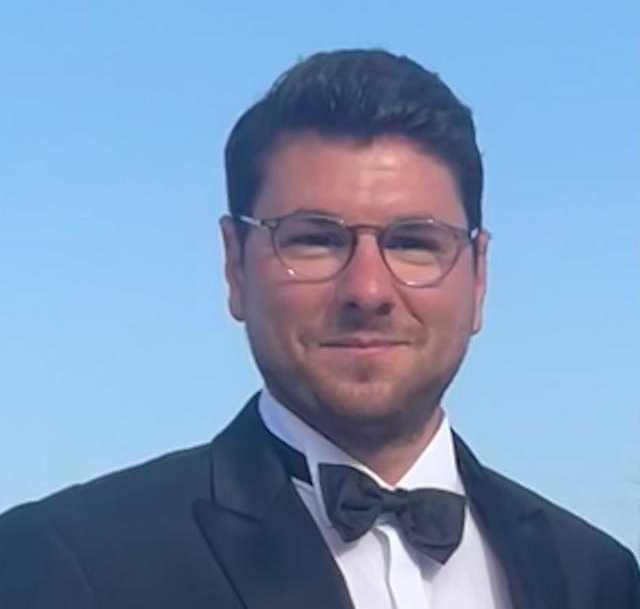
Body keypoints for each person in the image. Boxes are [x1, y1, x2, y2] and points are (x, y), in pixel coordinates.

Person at [0, 49, 638, 609]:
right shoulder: (69, 564)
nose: (368, 291)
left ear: (479, 277)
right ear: (235, 267)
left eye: (414, 242)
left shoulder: (599, 578)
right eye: (314, 240)